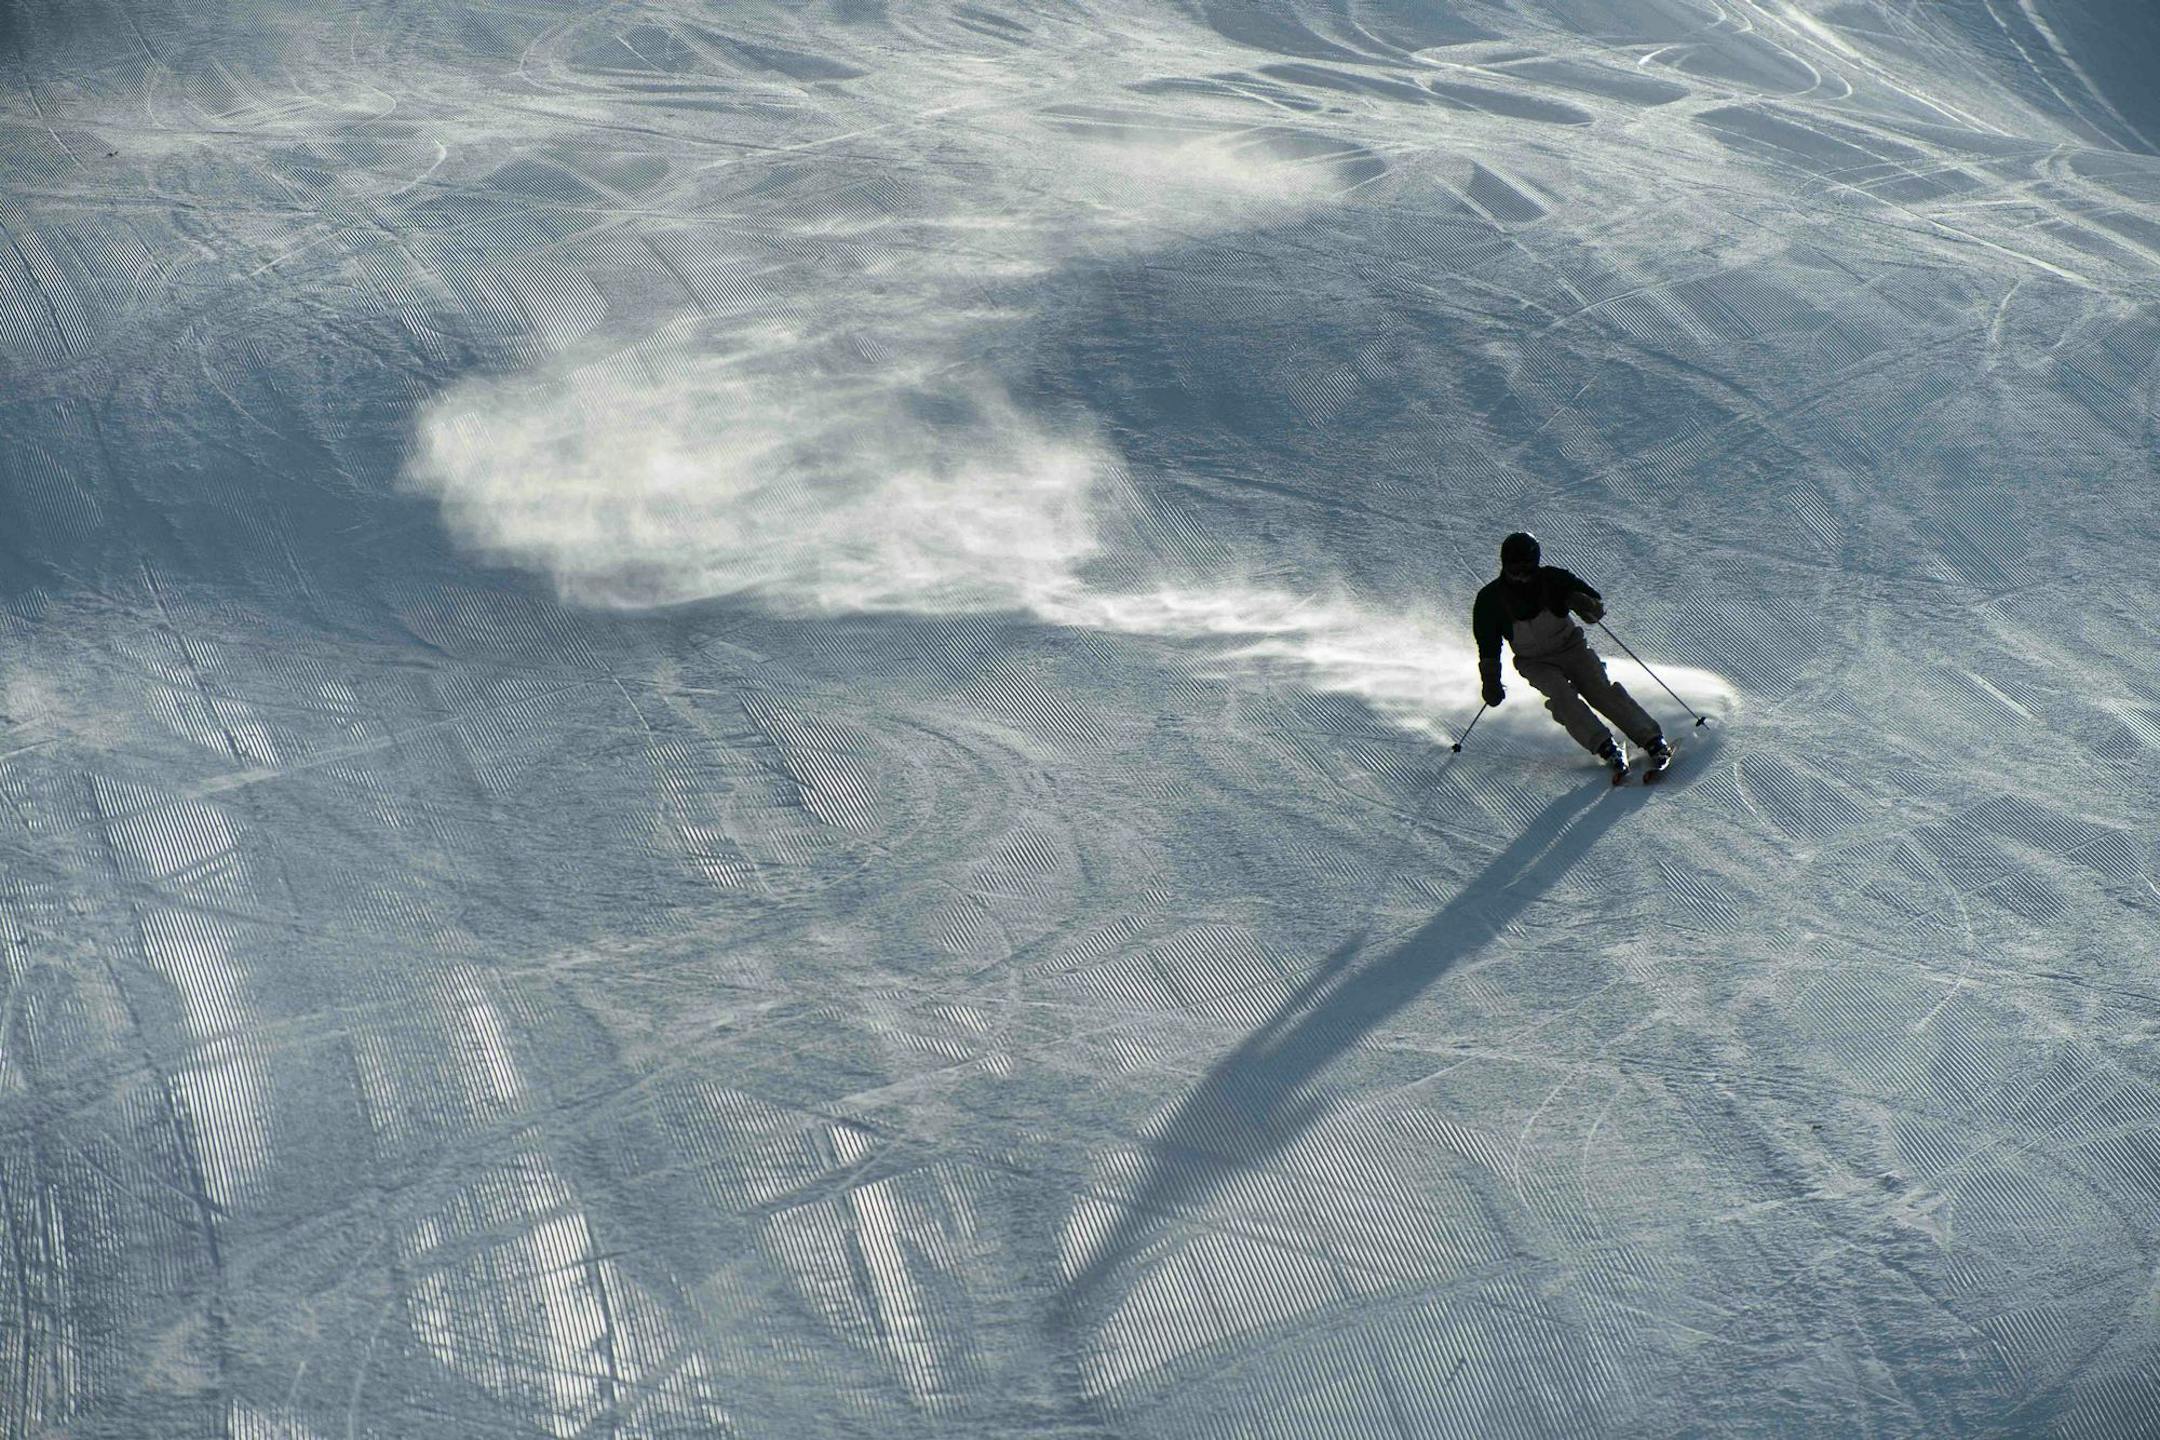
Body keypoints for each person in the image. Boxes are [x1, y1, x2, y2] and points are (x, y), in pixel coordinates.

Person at [1472, 531, 1669, 779]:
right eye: (1515, 567)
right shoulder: (1490, 601)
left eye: (1527, 567)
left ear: (1536, 563)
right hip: (1534, 661)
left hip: (1570, 647)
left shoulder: (1553, 580)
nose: (1521, 574)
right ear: (1505, 564)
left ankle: (1651, 739)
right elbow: (1488, 646)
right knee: (1562, 696)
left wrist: (1583, 603)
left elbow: (1594, 605)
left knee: (1599, 689)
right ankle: (1605, 746)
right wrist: (1490, 680)